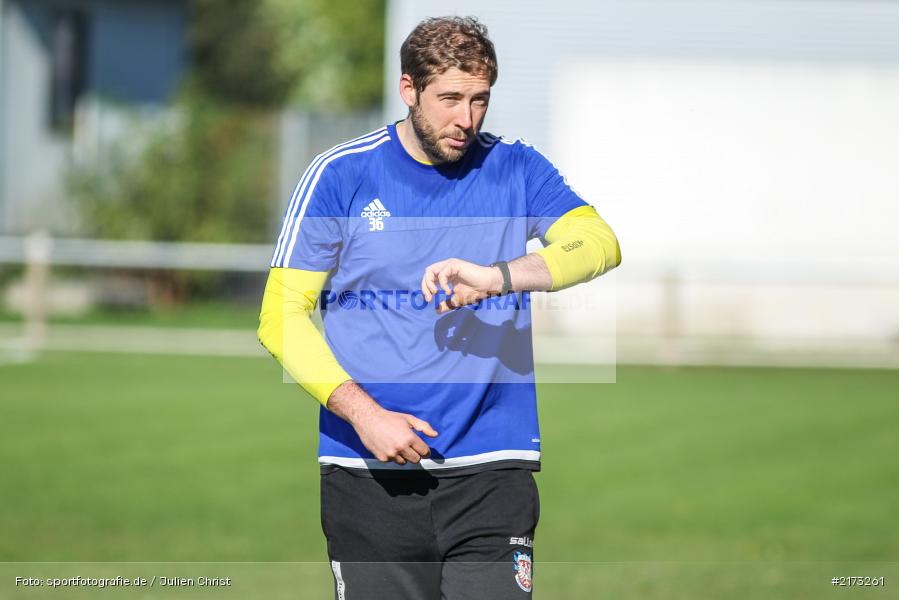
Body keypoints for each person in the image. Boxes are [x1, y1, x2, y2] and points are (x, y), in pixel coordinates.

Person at [257, 16, 620, 599]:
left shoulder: (517, 168)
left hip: (493, 467)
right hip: (367, 470)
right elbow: (280, 317)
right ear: (409, 89)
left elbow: (599, 243)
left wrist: (499, 277)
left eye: (480, 100)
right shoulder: (341, 175)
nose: (467, 119)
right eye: (450, 99)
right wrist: (365, 416)